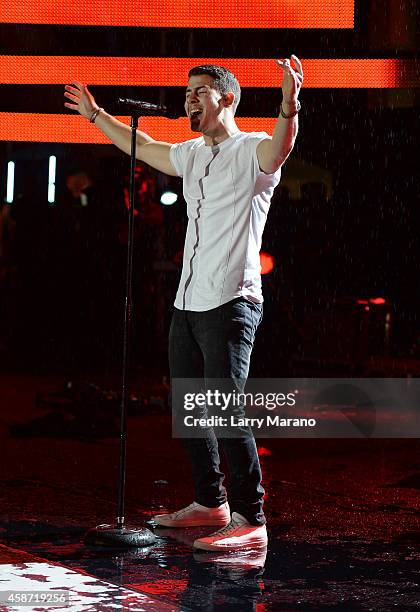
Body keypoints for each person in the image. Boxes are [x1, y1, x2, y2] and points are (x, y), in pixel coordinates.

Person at [64, 56, 303, 551]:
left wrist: (288, 105)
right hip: (188, 300)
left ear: (227, 98)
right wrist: (95, 115)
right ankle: (210, 502)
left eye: (199, 92)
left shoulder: (251, 149)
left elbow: (281, 147)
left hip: (232, 298)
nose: (189, 100)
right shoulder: (192, 154)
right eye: (187, 92)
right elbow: (144, 145)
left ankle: (250, 517)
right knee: (190, 406)